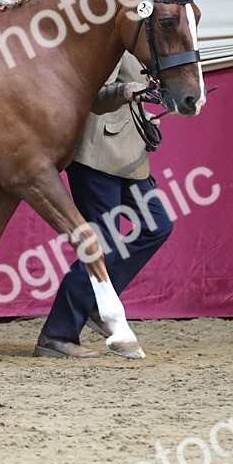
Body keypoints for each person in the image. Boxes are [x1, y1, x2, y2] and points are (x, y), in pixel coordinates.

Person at [33, 54, 175, 359]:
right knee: (101, 244)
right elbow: (94, 95)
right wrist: (125, 93)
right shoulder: (114, 42)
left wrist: (141, 111)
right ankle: (56, 334)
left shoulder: (146, 47)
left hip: (129, 155)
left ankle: (98, 302)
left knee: (158, 225)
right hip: (97, 155)